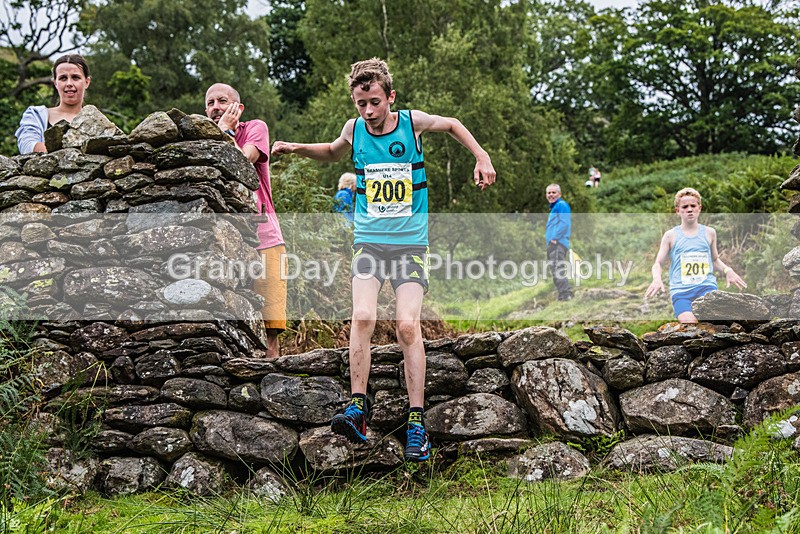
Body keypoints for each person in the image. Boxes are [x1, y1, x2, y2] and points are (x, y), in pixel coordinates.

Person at [271, 58, 495, 462]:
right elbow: (333, 153)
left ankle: (416, 422)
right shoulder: (354, 129)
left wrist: (482, 156)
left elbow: (455, 123)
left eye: (374, 102)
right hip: (369, 244)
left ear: (390, 97)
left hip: (410, 246)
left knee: (407, 326)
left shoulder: (412, 123)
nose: (368, 112)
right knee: (362, 317)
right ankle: (358, 407)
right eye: (361, 104)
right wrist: (295, 148)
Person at [204, 82, 286, 358]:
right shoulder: (202, 141)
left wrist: (225, 131)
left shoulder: (255, 128)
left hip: (265, 238)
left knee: (269, 326)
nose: (216, 107)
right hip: (223, 243)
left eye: (222, 101)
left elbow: (241, 161)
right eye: (210, 103)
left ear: (237, 108)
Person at [645, 187, 747, 323]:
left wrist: (728, 270)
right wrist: (657, 278)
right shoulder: (670, 236)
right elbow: (658, 263)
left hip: (706, 287)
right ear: (678, 211)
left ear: (699, 208)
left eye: (693, 205)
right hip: (681, 292)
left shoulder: (710, 233)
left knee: (714, 325)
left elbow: (715, 259)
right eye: (685, 206)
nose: (689, 209)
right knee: (691, 326)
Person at [15, 54, 91, 154]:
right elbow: (27, 145)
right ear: (55, 83)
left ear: (86, 82)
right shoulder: (35, 115)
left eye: (75, 77)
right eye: (63, 78)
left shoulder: (98, 122)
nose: (69, 83)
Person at [545, 184, 573, 301]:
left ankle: (566, 294)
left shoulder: (561, 205)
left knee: (558, 268)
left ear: (559, 194)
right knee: (555, 269)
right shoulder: (554, 207)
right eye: (549, 193)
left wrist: (555, 238)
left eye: (553, 192)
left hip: (558, 243)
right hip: (553, 244)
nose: (551, 195)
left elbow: (564, 223)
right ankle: (562, 294)